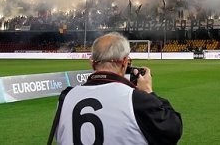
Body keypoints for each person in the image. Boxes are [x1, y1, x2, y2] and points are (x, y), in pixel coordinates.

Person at [50, 32, 183, 145]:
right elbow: (173, 130)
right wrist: (148, 92)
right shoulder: (136, 99)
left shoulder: (65, 98)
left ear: (92, 63)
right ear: (125, 62)